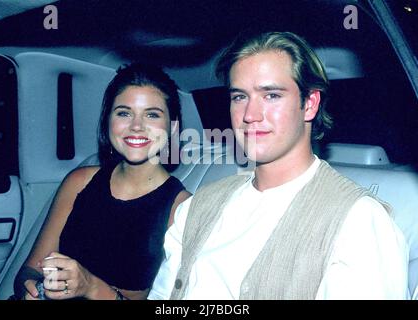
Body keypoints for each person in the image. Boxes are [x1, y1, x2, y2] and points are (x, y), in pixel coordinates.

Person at [148, 31, 410, 300]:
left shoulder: (359, 222)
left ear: (309, 104)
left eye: (271, 95)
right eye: (239, 97)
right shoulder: (196, 208)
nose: (250, 115)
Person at [13, 63, 191, 300]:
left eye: (152, 114)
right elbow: (31, 268)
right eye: (124, 113)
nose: (136, 126)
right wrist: (31, 287)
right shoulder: (79, 181)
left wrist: (91, 287)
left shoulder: (181, 208)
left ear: (173, 126)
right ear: (108, 122)